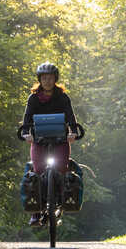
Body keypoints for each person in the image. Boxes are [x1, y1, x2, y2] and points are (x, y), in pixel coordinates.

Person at [19, 62, 81, 226]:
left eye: (50, 78)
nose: (47, 81)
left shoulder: (62, 97)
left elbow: (70, 117)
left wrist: (72, 132)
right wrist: (26, 134)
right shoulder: (33, 98)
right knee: (37, 172)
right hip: (39, 141)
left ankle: (61, 200)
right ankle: (36, 212)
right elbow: (27, 119)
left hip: (60, 140)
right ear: (39, 79)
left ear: (55, 79)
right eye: (44, 78)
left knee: (61, 168)